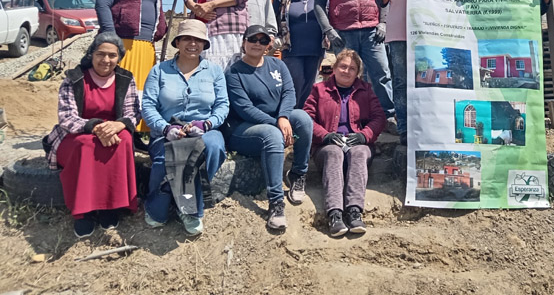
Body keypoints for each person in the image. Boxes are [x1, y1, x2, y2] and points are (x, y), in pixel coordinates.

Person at [43, 32, 139, 238]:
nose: (106, 60)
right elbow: (67, 117)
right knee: (86, 147)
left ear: (119, 58)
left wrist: (117, 125)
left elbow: (133, 114)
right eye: (100, 54)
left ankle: (110, 207)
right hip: (77, 132)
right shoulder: (74, 78)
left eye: (112, 55)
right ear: (91, 55)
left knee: (123, 142)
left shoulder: (125, 79)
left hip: (113, 129)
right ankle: (83, 212)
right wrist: (96, 127)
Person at [141, 19, 229, 236]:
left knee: (212, 148)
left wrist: (207, 123)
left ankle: (189, 209)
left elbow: (222, 105)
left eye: (199, 40)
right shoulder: (159, 71)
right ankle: (160, 206)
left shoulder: (214, 71)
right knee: (165, 160)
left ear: (205, 45)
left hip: (203, 129)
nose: (193, 44)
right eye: (187, 38)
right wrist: (165, 129)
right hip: (168, 130)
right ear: (177, 42)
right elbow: (148, 105)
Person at [224, 25, 313, 231]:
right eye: (253, 39)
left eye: (263, 40)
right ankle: (275, 201)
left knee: (303, 119)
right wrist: (277, 124)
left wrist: (283, 116)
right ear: (244, 42)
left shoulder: (277, 65)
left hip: (277, 119)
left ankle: (298, 174)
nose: (257, 44)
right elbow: (245, 109)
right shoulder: (234, 72)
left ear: (268, 45)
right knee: (273, 135)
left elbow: (289, 93)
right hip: (243, 129)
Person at [303, 50, 386, 237]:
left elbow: (379, 118)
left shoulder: (366, 90)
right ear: (334, 68)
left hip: (356, 141)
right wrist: (325, 135)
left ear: (357, 73)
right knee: (334, 153)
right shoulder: (319, 90)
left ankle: (354, 210)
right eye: (343, 66)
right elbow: (307, 117)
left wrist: (364, 135)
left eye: (352, 68)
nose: (346, 71)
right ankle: (335, 214)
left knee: (359, 153)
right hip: (327, 144)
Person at [313, 0, 394, 120]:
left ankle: (388, 116)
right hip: (343, 33)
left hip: (372, 32)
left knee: (381, 73)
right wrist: (328, 30)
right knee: (346, 75)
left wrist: (383, 23)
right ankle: (349, 116)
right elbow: (318, 4)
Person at [376, 0, 445, 143]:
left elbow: (443, 1)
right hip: (399, 35)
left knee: (428, 81)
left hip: (426, 36)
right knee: (401, 82)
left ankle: (427, 125)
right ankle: (405, 129)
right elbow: (381, 0)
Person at [95, 0, 167, 130]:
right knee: (121, 90)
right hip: (122, 43)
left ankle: (135, 133)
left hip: (146, 46)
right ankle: (116, 129)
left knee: (143, 93)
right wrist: (111, 38)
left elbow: (157, 8)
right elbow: (102, 5)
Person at [273, 0, 325, 109]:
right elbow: (272, 19)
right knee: (295, 82)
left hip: (315, 50)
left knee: (310, 85)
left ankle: (304, 116)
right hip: (292, 50)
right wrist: (274, 36)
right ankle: (289, 114)